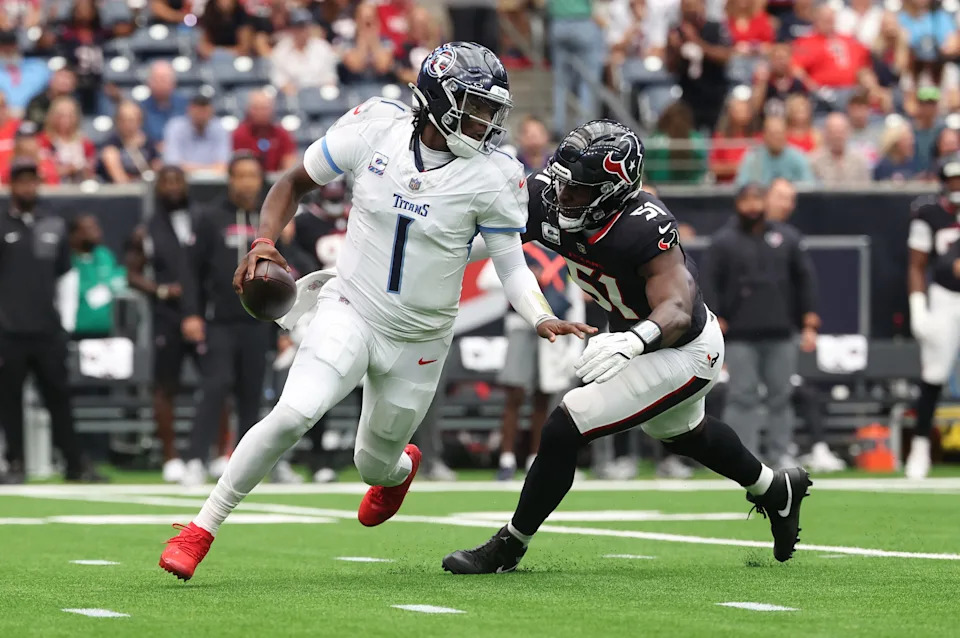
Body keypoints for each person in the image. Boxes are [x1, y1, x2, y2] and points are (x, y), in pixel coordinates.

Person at [158, 42, 592, 581]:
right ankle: (202, 528)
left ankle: (399, 469)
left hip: (420, 340)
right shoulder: (375, 128)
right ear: (436, 100)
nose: (484, 120)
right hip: (352, 307)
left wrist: (540, 315)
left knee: (374, 464)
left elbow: (511, 265)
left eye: (490, 109)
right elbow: (293, 181)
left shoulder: (494, 173)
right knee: (294, 412)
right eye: (474, 105)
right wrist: (264, 241)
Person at [442, 121, 812, 574]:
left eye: (579, 191)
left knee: (566, 424)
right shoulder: (552, 194)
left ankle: (509, 546)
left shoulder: (645, 227)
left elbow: (676, 307)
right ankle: (776, 490)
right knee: (682, 432)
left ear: (612, 192)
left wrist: (634, 340)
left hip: (685, 349)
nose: (562, 197)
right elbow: (488, 238)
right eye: (562, 183)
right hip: (640, 342)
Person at [173, 153, 276, 487]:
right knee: (215, 386)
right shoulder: (210, 218)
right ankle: (194, 460)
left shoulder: (269, 220)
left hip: (258, 322)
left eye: (253, 176)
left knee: (252, 394)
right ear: (230, 179)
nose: (247, 182)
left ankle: (245, 467)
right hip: (219, 321)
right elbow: (190, 271)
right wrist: (191, 313)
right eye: (241, 175)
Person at [700, 183, 820, 467]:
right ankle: (741, 457)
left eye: (757, 200)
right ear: (737, 204)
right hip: (740, 335)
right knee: (742, 395)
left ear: (765, 203)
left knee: (781, 395)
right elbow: (708, 283)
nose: (752, 207)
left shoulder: (787, 238)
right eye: (747, 201)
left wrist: (809, 320)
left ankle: (780, 454)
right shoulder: (723, 242)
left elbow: (805, 280)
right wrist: (715, 317)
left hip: (781, 331)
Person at [0, 159, 103, 483]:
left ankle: (74, 463)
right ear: (11, 186)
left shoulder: (53, 224)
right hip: (8, 330)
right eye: (21, 181)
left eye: (32, 181)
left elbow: (67, 276)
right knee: (9, 401)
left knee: (59, 397)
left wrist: (66, 325)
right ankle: (15, 462)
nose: (27, 187)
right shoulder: (1, 224)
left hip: (47, 330)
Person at [126, 166, 206, 483]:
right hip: (167, 317)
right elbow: (132, 273)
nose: (173, 187)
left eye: (178, 181)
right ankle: (171, 457)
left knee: (216, 382)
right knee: (165, 386)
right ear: (157, 188)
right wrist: (160, 290)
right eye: (167, 181)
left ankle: (216, 453)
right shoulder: (146, 231)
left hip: (201, 313)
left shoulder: (202, 221)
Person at [904, 154, 960, 479]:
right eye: (952, 179)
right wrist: (917, 307)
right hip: (944, 298)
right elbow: (917, 263)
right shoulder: (929, 214)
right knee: (934, 375)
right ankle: (921, 448)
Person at [666, 0, 732, 131]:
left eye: (693, 4)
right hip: (688, 96)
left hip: (715, 95)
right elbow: (670, 68)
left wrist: (697, 42)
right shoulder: (676, 32)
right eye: (686, 5)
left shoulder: (715, 28)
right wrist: (676, 49)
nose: (690, 10)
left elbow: (725, 57)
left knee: (715, 136)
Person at [68, 214, 125, 338]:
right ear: (75, 234)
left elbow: (119, 279)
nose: (97, 232)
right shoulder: (67, 260)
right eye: (89, 229)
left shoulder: (105, 255)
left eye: (97, 227)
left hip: (105, 332)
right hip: (75, 331)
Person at [269, 8, 338, 96]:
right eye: (298, 27)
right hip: (292, 99)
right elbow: (279, 81)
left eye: (305, 26)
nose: (302, 31)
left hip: (320, 98)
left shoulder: (323, 47)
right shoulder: (280, 51)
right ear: (291, 28)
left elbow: (330, 79)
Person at [736, 115, 815, 186]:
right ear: (764, 135)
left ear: (786, 134)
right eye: (772, 134)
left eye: (779, 133)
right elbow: (741, 186)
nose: (776, 137)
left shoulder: (798, 156)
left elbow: (809, 185)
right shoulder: (753, 158)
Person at [162, 94, 231, 174]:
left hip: (213, 180)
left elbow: (223, 165)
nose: (201, 116)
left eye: (205, 112)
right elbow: (173, 165)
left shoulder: (220, 128)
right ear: (189, 110)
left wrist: (191, 168)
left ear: (212, 111)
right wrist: (209, 169)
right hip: (182, 180)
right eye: (198, 112)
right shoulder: (175, 126)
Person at [231, 90, 296, 173]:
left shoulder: (282, 134)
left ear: (272, 109)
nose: (261, 112)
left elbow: (289, 164)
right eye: (256, 108)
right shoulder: (239, 134)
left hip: (277, 181)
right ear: (249, 109)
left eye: (264, 108)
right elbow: (237, 165)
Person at [99, 101, 160, 183]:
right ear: (117, 121)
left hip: (146, 187)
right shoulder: (111, 144)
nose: (127, 124)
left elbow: (156, 168)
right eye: (123, 120)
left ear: (140, 120)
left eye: (132, 120)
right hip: (121, 191)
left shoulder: (148, 142)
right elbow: (119, 179)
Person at [38, 96, 95, 183]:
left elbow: (90, 171)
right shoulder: (43, 141)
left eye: (70, 115)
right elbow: (41, 171)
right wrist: (68, 169)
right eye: (61, 115)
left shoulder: (85, 143)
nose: (65, 119)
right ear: (52, 116)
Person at [810, 112, 871, 184]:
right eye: (833, 132)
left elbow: (867, 190)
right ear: (825, 133)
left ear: (848, 132)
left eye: (840, 132)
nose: (837, 136)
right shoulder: (813, 161)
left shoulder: (860, 161)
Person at [141, 61, 188, 149]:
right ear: (148, 82)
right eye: (156, 79)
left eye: (164, 79)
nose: (161, 83)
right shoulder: (139, 110)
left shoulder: (187, 106)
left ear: (174, 82)